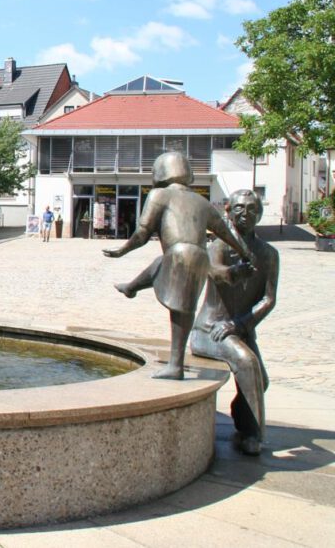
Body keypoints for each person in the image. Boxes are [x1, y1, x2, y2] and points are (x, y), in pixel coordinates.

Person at [103, 152, 255, 380]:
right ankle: (132, 287)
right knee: (170, 281)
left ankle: (176, 365)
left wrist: (122, 250)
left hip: (179, 253)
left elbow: (143, 232)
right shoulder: (201, 201)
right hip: (200, 257)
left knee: (179, 311)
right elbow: (223, 231)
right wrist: (244, 252)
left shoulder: (158, 195)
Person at [191, 189, 278, 455]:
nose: (245, 214)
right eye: (239, 208)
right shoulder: (219, 246)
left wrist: (240, 325)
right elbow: (214, 271)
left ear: (260, 215)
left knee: (260, 381)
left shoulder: (268, 254)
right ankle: (255, 436)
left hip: (239, 328)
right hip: (210, 329)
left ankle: (241, 422)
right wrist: (232, 272)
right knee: (247, 363)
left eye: (252, 209)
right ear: (228, 211)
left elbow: (268, 299)